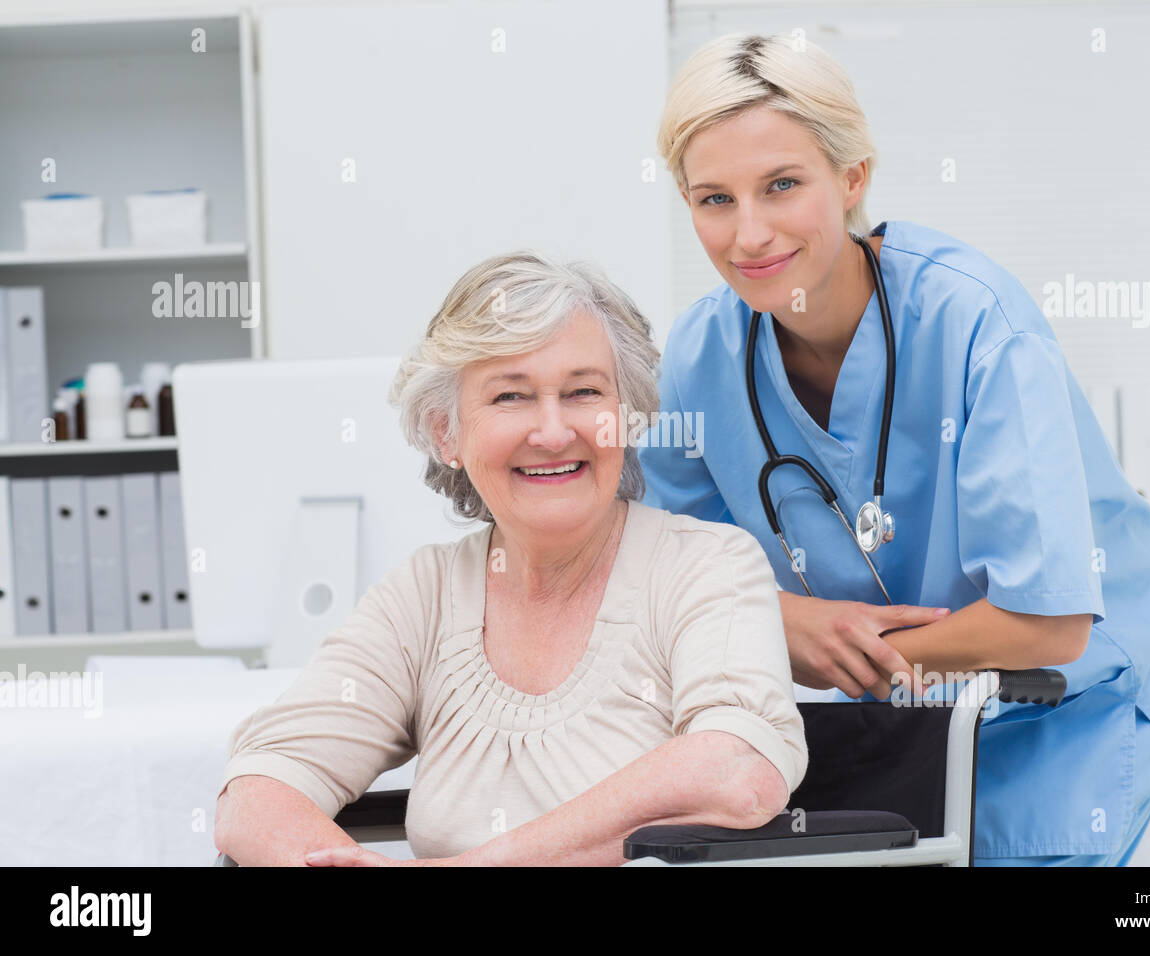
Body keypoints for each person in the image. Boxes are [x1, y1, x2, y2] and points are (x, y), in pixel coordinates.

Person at [639, 32, 1150, 865]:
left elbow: (1049, 625)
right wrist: (788, 623)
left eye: (782, 185)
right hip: (883, 722)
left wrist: (852, 652)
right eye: (714, 199)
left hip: (1055, 712)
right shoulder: (697, 357)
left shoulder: (978, 327)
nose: (748, 234)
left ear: (852, 177)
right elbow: (668, 581)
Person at [214, 250, 807, 866]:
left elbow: (738, 772)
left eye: (583, 391)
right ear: (447, 433)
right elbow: (258, 788)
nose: (552, 432)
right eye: (510, 397)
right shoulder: (425, 593)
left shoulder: (707, 565)